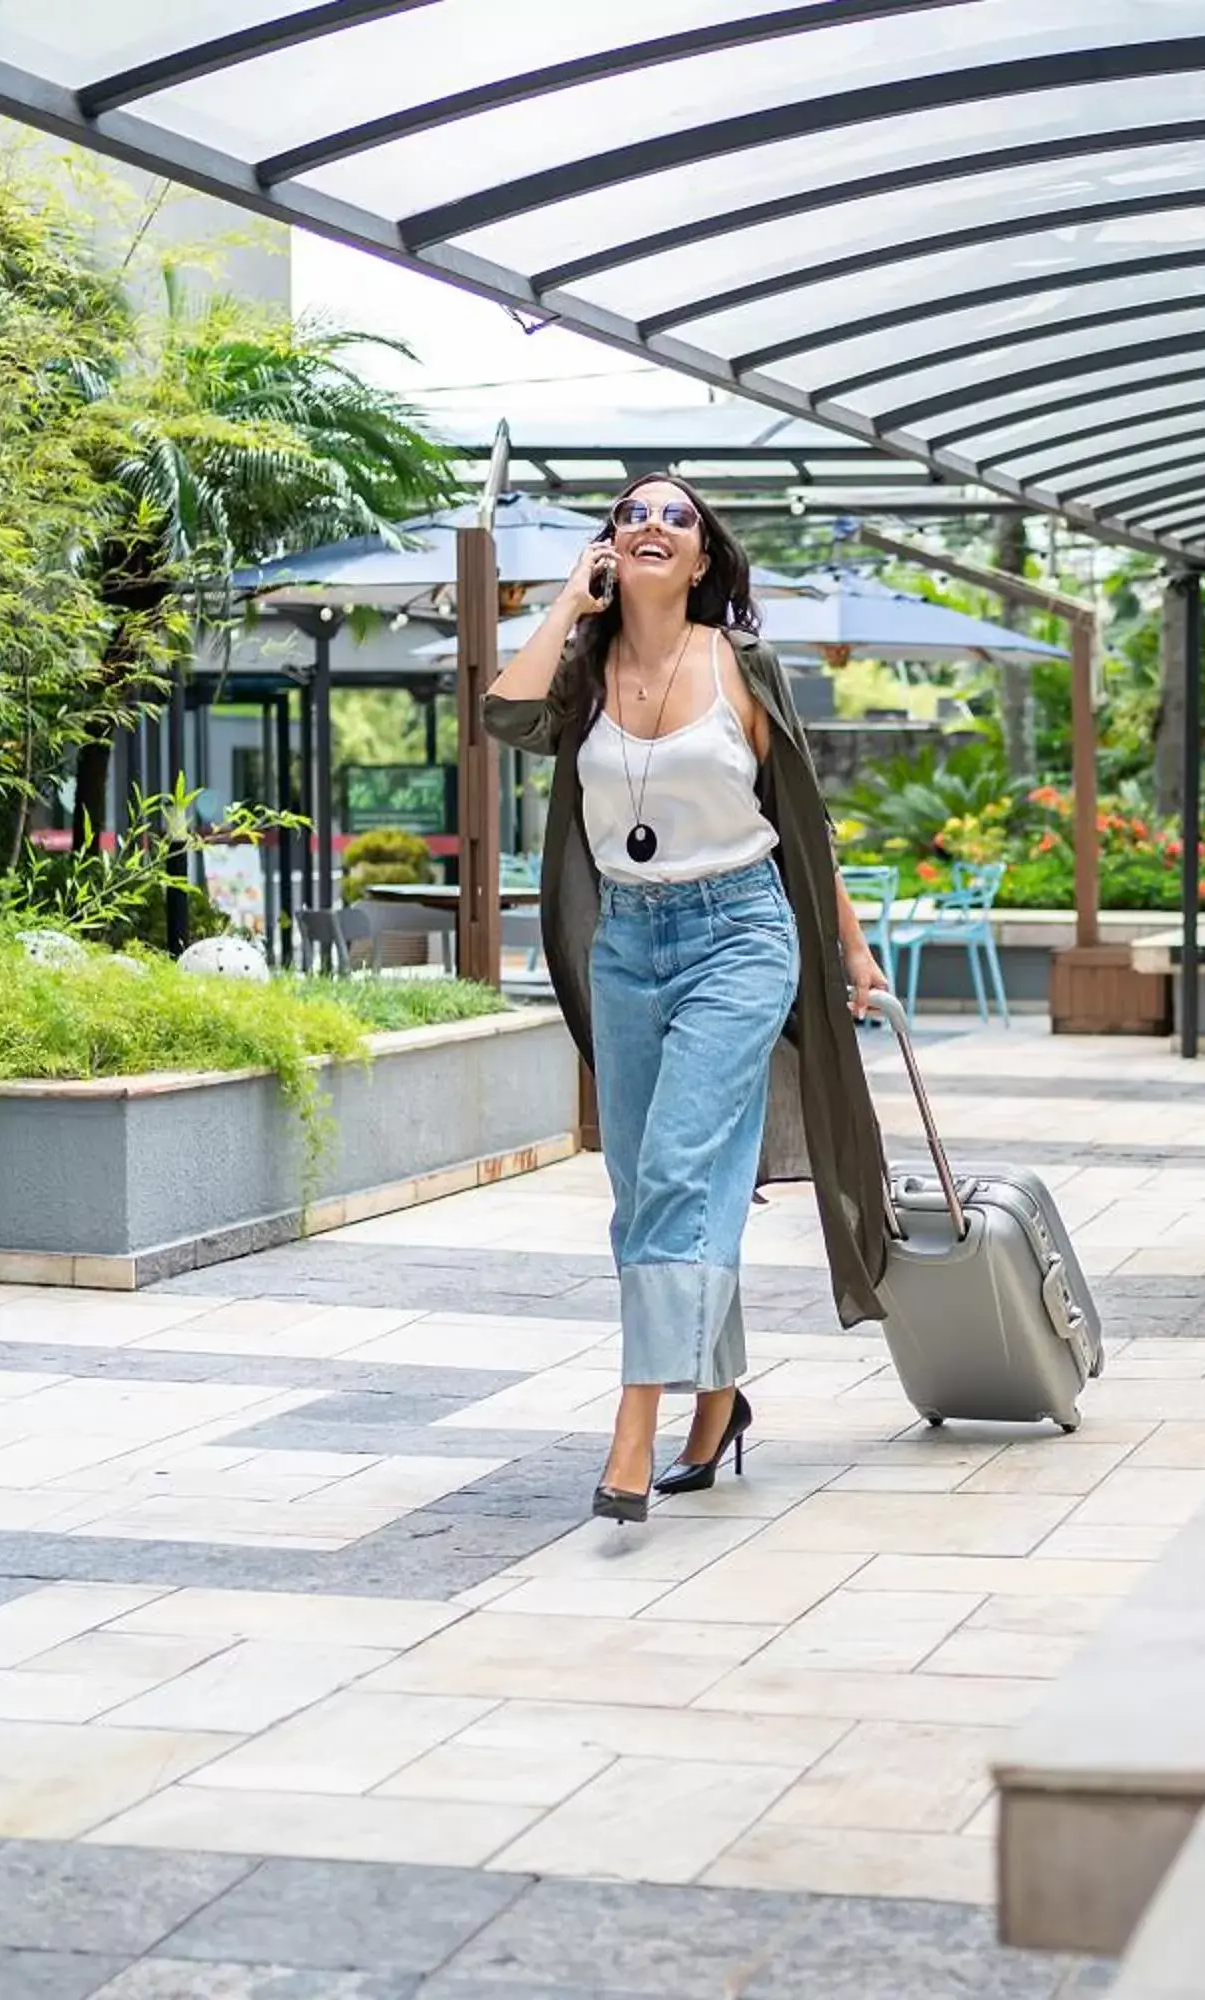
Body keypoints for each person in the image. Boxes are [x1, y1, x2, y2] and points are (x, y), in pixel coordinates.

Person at [486, 474, 894, 1525]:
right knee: (652, 1189)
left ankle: (636, 1424)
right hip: (628, 944)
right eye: (633, 514)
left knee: (675, 1168)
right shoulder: (584, 669)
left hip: (742, 934)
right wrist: (570, 601)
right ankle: (717, 1400)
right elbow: (504, 713)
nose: (654, 525)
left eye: (678, 517)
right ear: (612, 548)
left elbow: (805, 824)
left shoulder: (741, 666)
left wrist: (855, 954)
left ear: (705, 557)